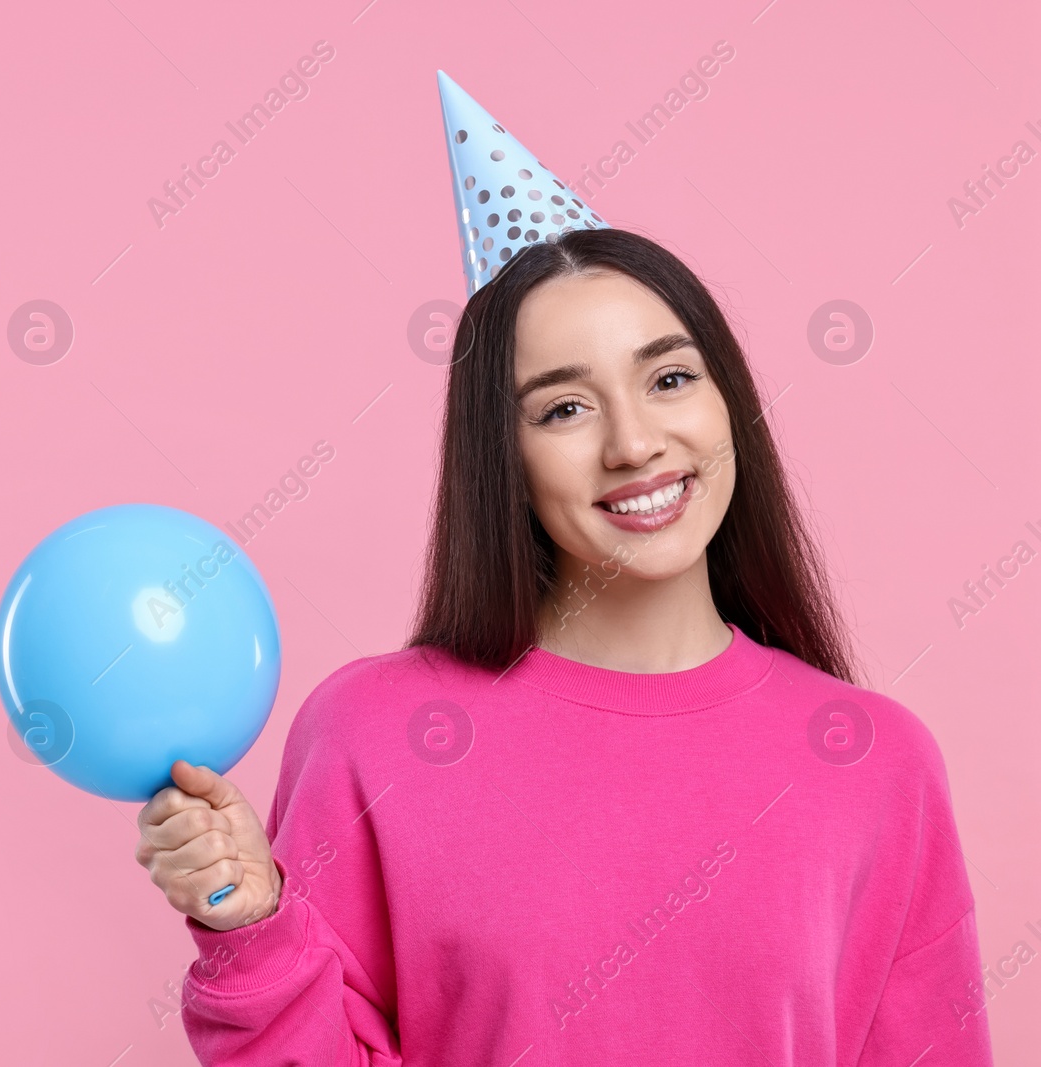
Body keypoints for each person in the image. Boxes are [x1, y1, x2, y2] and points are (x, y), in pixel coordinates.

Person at [134, 225, 995, 1064]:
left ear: (728, 395)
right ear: (502, 455)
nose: (633, 444)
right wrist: (252, 928)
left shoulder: (877, 762)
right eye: (566, 407)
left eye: (669, 377)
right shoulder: (372, 733)